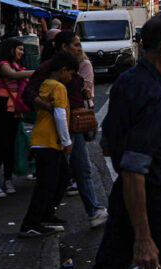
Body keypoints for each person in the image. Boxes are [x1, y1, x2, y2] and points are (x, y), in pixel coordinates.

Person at [95, 15, 161, 269]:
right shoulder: (154, 94)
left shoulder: (126, 80)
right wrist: (143, 238)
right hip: (153, 203)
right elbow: (133, 168)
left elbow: (109, 144)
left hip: (124, 199)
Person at [23, 31, 107, 228]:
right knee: (56, 176)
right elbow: (28, 93)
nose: (79, 48)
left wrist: (84, 93)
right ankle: (39, 218)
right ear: (63, 47)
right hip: (59, 130)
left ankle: (90, 211)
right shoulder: (50, 68)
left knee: (77, 171)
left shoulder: (72, 67)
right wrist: (49, 107)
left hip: (74, 126)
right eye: (75, 44)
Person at [19, 51, 78, 237]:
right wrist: (67, 141)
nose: (71, 78)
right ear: (63, 70)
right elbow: (60, 116)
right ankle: (30, 223)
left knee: (62, 177)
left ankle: (45, 215)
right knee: (46, 184)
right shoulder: (58, 87)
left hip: (44, 140)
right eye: (71, 74)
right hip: (49, 141)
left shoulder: (46, 84)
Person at [0, 37, 34, 198]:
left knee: (11, 145)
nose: (22, 52)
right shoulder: (2, 64)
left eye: (23, 50)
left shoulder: (15, 65)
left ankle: (7, 179)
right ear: (10, 49)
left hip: (12, 108)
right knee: (1, 145)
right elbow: (12, 75)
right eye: (19, 49)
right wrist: (37, 72)